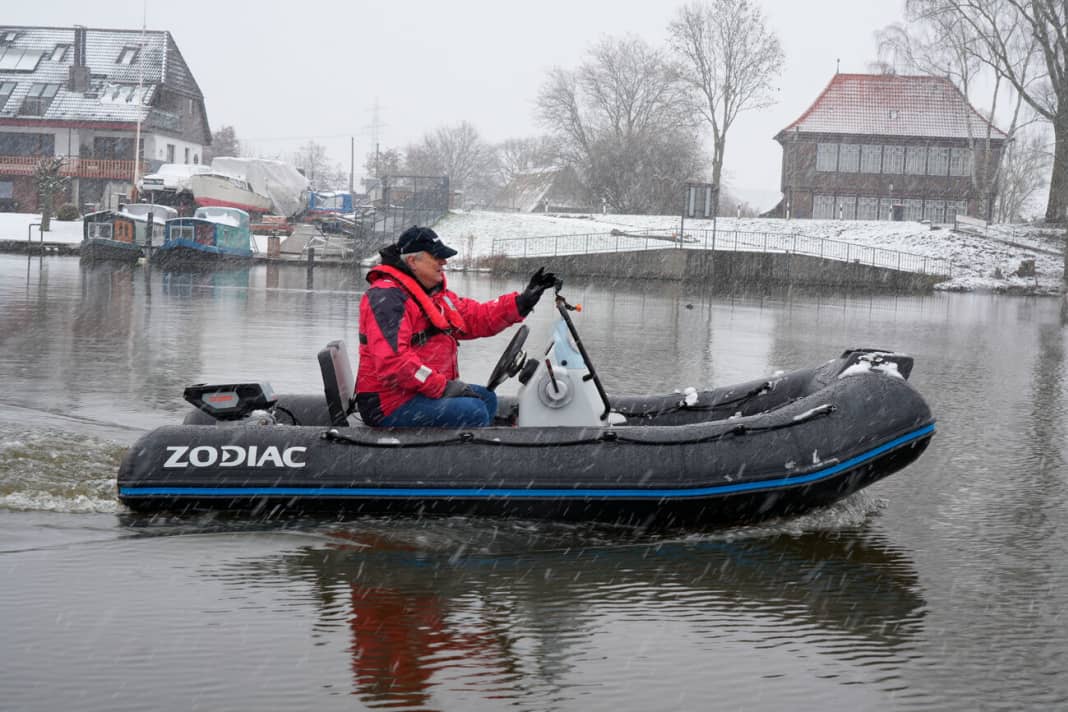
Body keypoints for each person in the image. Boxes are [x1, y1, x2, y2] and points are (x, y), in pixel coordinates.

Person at [355, 225, 556, 428]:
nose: (444, 262)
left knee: (487, 399)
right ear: (412, 261)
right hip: (388, 402)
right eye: (436, 257)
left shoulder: (432, 295)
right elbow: (394, 364)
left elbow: (475, 317)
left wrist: (522, 302)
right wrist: (442, 387)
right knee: (473, 412)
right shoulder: (388, 297)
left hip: (415, 392)